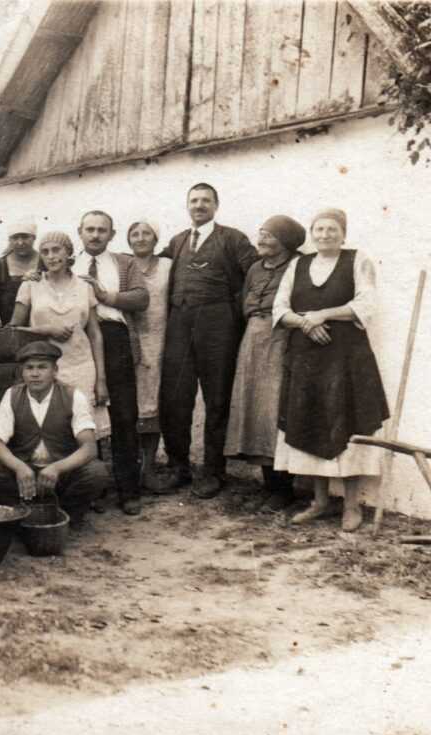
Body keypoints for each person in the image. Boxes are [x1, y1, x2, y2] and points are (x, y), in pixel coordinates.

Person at [272, 209, 389, 532]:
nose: (325, 235)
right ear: (312, 233)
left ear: (343, 233)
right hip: (308, 357)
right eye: (319, 229)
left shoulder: (357, 260)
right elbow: (280, 309)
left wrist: (323, 314)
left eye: (332, 229)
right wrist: (307, 324)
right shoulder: (299, 264)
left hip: (347, 358)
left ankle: (351, 506)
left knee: (348, 424)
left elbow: (366, 303)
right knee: (310, 420)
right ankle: (320, 502)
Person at [159, 182, 257, 498]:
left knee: (217, 398)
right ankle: (179, 468)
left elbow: (257, 272)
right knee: (175, 397)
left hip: (217, 325)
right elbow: (146, 267)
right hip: (179, 324)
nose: (199, 205)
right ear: (187, 206)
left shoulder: (233, 238)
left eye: (205, 200)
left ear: (216, 205)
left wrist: (238, 312)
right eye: (194, 200)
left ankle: (214, 472)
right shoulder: (177, 241)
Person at [224, 215, 306, 511]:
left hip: (282, 341)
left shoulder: (299, 266)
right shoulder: (256, 269)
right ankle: (268, 485)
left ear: (285, 242)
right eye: (260, 233)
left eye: (268, 235)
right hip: (253, 342)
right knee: (254, 412)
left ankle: (283, 489)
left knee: (274, 414)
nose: (261, 240)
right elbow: (245, 303)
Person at [0, 341, 108, 527]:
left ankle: (66, 514)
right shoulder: (12, 395)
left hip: (61, 472)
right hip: (25, 472)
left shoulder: (73, 396)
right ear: (22, 372)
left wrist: (57, 468)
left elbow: (89, 447)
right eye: (29, 368)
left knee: (96, 472)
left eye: (42, 367)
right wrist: (19, 467)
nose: (35, 373)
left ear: (55, 371)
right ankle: (20, 514)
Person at [72, 211, 149, 514]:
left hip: (115, 337)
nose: (95, 235)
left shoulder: (124, 263)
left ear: (112, 234)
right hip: (76, 341)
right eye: (89, 229)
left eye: (102, 230)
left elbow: (142, 298)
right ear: (80, 231)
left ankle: (128, 491)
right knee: (81, 413)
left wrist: (105, 296)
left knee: (123, 415)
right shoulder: (68, 261)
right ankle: (90, 489)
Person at [9, 231, 110, 436]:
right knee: (51, 428)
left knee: (85, 427)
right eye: (45, 251)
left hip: (81, 365)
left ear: (68, 252)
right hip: (44, 367)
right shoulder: (31, 284)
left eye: (57, 250)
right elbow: (11, 331)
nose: (51, 256)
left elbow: (95, 334)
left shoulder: (84, 286)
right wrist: (45, 330)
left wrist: (101, 379)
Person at [127, 219, 173, 493]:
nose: (141, 238)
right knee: (129, 405)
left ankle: (150, 468)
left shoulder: (168, 265)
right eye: (135, 233)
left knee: (153, 403)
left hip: (161, 341)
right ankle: (131, 469)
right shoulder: (122, 265)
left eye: (147, 233)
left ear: (156, 239)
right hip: (130, 340)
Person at [0, 217, 40, 347]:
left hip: (45, 336)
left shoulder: (46, 263)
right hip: (13, 340)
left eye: (25, 237)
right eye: (15, 238)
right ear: (9, 240)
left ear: (34, 237)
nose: (20, 242)